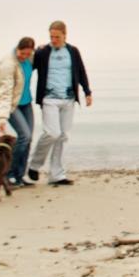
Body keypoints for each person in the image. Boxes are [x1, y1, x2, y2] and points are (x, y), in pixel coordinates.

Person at [26, 20, 92, 186]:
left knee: (63, 136)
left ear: (64, 35)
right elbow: (27, 66)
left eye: (57, 37)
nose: (53, 40)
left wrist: (87, 92)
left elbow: (81, 71)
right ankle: (34, 165)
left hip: (68, 99)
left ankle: (57, 175)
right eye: (51, 37)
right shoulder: (43, 52)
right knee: (51, 133)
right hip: (49, 99)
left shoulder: (73, 51)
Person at [0, 37, 36, 188]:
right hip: (12, 105)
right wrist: (2, 117)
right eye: (22, 53)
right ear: (17, 49)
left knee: (28, 138)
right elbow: (4, 93)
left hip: (26, 104)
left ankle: (19, 176)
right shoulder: (8, 64)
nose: (24, 56)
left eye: (27, 54)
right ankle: (8, 174)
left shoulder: (30, 58)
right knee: (24, 136)